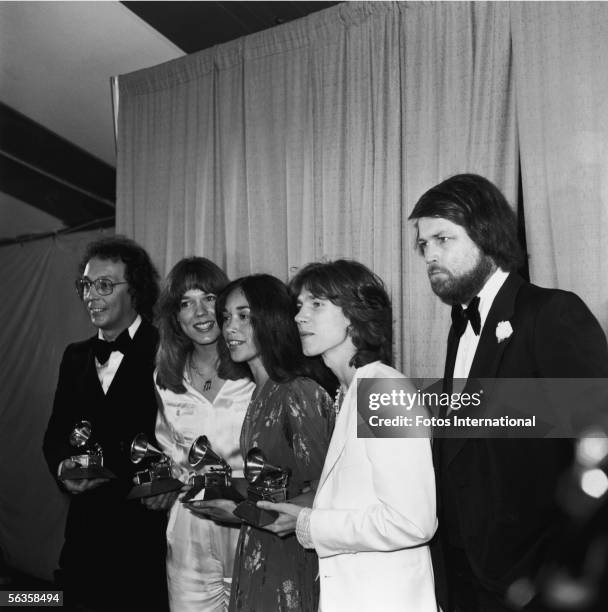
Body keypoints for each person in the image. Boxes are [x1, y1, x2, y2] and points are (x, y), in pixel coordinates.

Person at [408, 173, 608, 611]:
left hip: (534, 580)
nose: (430, 256)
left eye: (442, 239)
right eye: (424, 245)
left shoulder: (552, 313)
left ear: (486, 235)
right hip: (465, 577)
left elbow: (598, 448)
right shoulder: (459, 328)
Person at [258, 259, 438, 612]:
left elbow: (412, 522)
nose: (299, 317)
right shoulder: (348, 392)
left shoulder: (383, 388)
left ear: (355, 314)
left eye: (317, 304)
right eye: (299, 306)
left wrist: (311, 524)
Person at [43, 235, 168, 611]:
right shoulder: (75, 356)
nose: (90, 296)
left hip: (144, 538)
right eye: (86, 284)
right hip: (84, 533)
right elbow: (55, 434)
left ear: (136, 290)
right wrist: (63, 466)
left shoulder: (166, 348)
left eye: (104, 285)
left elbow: (188, 434)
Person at [200, 274, 334, 612]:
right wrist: (228, 491)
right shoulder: (260, 391)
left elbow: (327, 492)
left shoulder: (298, 392)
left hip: (290, 556)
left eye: (244, 316)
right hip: (257, 548)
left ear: (272, 319)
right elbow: (275, 481)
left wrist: (242, 512)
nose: (230, 328)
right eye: (226, 318)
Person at [149, 257, 254, 611]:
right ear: (174, 317)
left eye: (208, 297)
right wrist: (160, 482)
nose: (199, 311)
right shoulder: (166, 379)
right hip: (189, 529)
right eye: (185, 302)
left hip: (247, 519)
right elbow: (168, 451)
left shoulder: (255, 369)